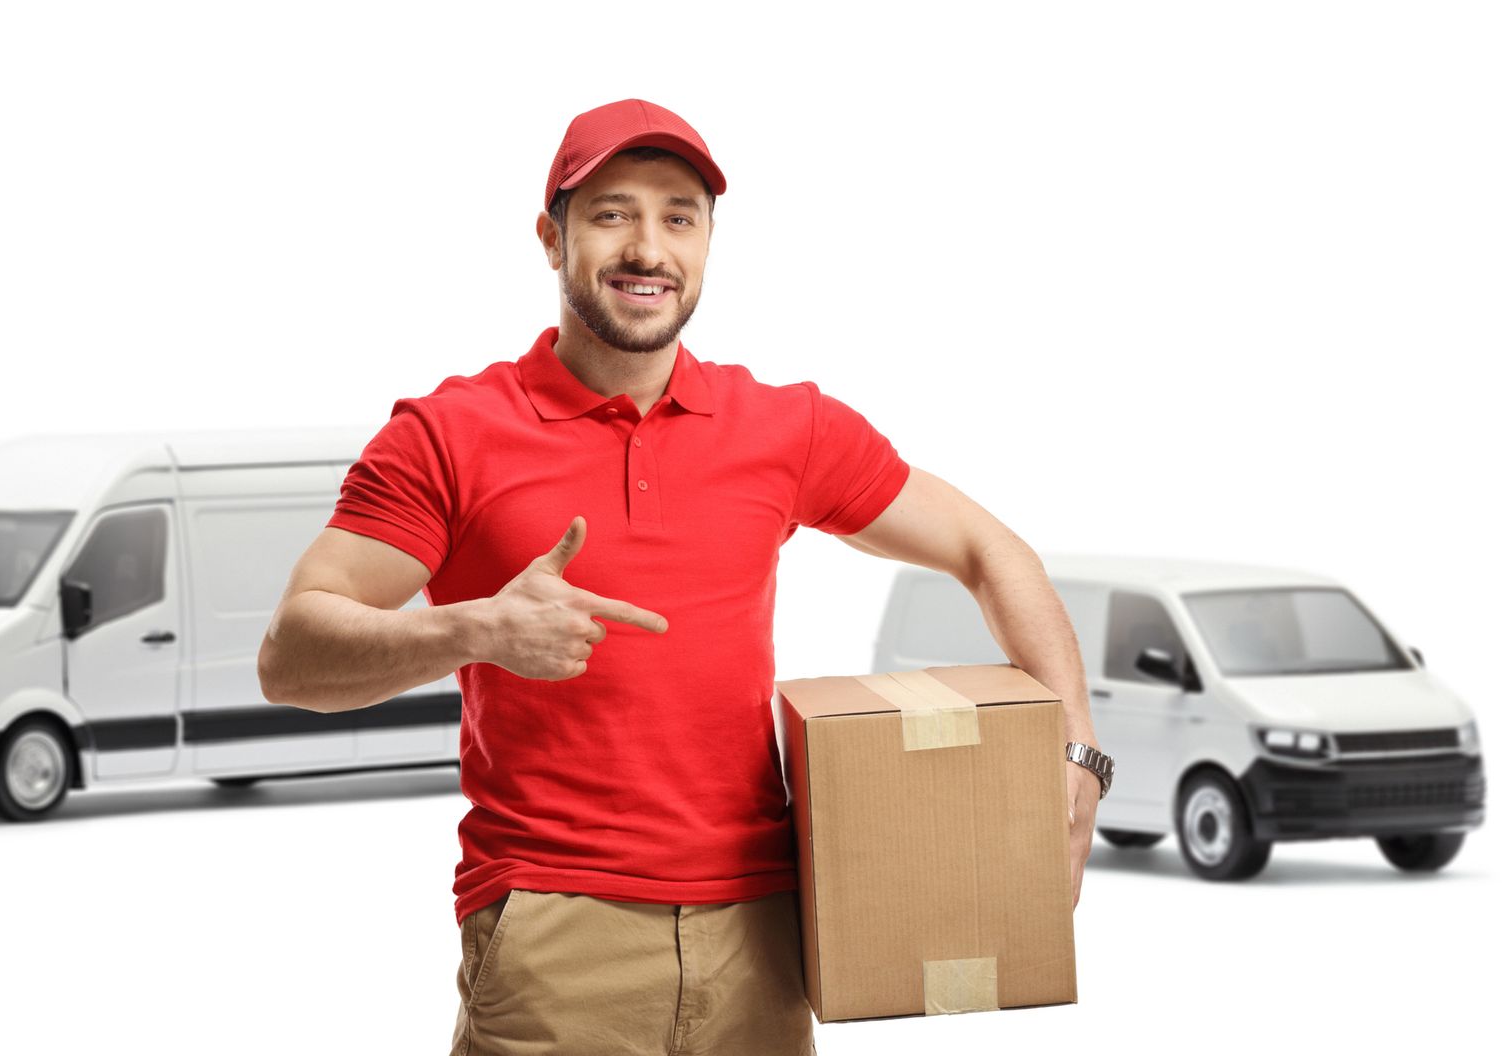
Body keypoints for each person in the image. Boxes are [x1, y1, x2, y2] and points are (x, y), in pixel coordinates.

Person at [258, 98, 1108, 1056]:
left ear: (707, 242)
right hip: (555, 928)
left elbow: (990, 551)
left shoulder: (786, 428)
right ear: (552, 237)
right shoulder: (447, 435)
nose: (647, 248)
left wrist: (1075, 746)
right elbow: (291, 654)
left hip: (765, 933)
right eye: (613, 213)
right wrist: (475, 629)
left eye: (679, 216)